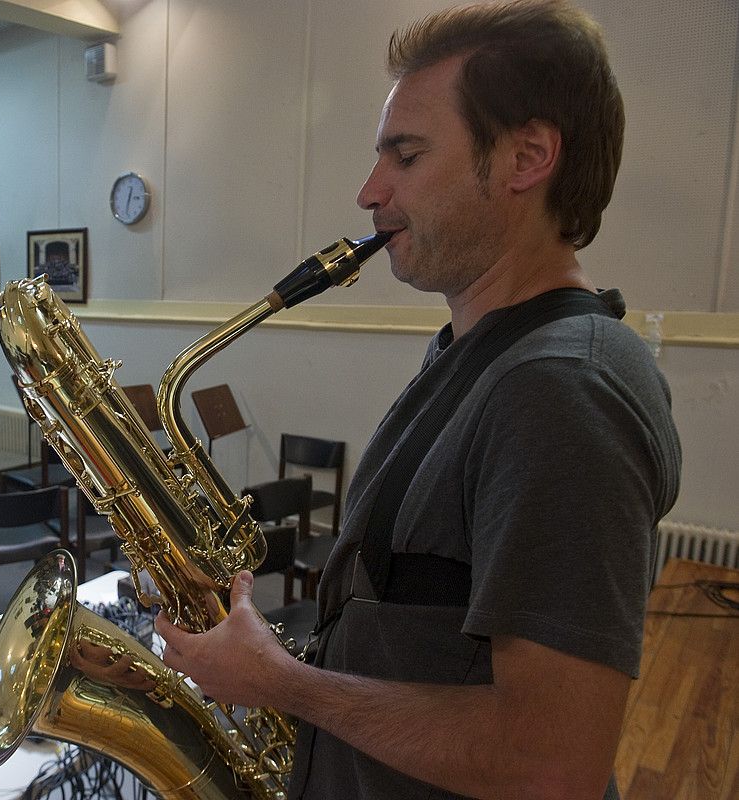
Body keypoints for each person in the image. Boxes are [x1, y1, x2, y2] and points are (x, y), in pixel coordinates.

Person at [155, 2, 682, 799]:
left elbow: (551, 765)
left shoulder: (560, 387)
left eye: (405, 155)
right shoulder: (480, 352)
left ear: (526, 157)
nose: (369, 191)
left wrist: (283, 684)